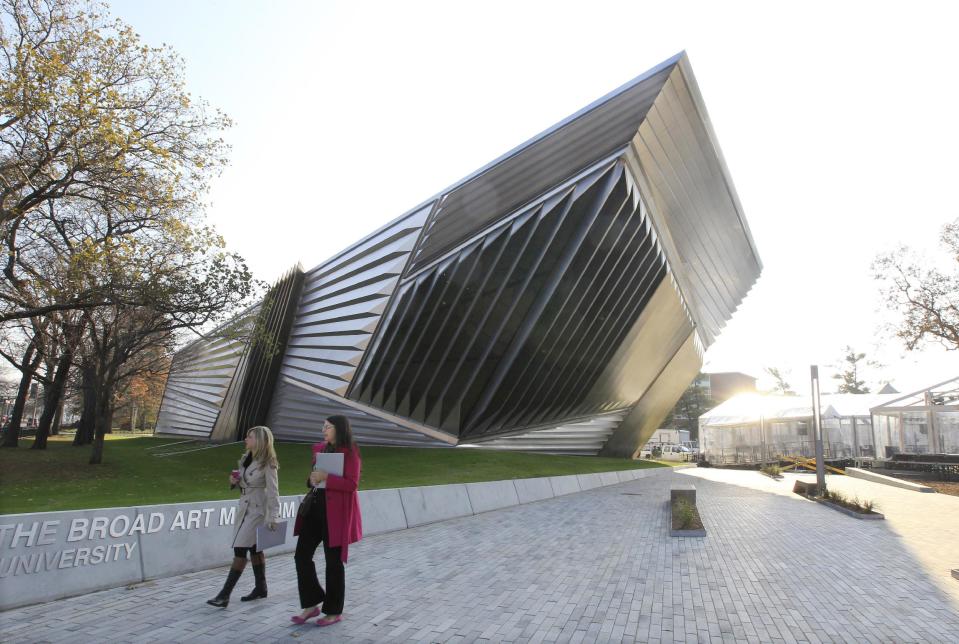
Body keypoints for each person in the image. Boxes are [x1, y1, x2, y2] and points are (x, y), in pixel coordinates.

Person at [291, 415, 362, 627]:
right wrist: (312, 478)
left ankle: (333, 611)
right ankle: (312, 604)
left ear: (339, 429)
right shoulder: (320, 449)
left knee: (333, 563)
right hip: (314, 511)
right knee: (301, 556)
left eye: (327, 427)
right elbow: (313, 478)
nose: (323, 430)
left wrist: (327, 478)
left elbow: (352, 484)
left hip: (335, 515)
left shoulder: (351, 452)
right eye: (322, 426)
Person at [207, 425, 280, 608]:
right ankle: (261, 588)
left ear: (260, 440)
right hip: (244, 507)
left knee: (240, 548)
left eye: (250, 437)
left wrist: (273, 516)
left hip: (257, 510)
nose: (246, 439)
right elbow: (244, 483)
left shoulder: (268, 462)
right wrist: (235, 481)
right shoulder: (246, 459)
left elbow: (273, 491)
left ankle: (224, 595)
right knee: (255, 549)